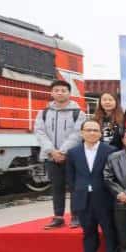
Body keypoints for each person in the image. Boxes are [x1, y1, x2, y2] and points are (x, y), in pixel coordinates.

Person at [65, 119, 118, 252]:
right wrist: (77, 192)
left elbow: (115, 175)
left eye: (95, 130)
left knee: (109, 231)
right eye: (88, 130)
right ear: (82, 133)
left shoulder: (111, 151)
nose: (92, 133)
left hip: (104, 198)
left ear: (100, 133)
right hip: (83, 198)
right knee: (88, 232)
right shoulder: (73, 152)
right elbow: (70, 177)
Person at [34, 79, 86, 229]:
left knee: (75, 187)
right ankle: (58, 217)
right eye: (56, 90)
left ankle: (76, 216)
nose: (60, 93)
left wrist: (62, 152)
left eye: (63, 90)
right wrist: (52, 151)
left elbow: (78, 134)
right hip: (51, 156)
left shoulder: (78, 113)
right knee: (56, 187)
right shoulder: (43, 113)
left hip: (72, 157)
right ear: (51, 93)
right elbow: (39, 132)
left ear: (69, 93)